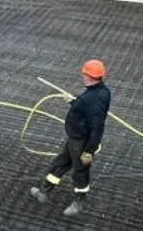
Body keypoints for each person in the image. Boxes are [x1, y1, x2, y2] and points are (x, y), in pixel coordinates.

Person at [30, 59, 112, 218]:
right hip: (75, 139)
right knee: (60, 164)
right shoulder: (97, 92)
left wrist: (89, 150)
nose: (83, 77)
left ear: (89, 76)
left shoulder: (95, 97)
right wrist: (73, 101)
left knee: (80, 171)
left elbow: (97, 126)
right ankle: (44, 191)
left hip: (82, 142)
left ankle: (79, 203)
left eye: (84, 74)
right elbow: (86, 110)